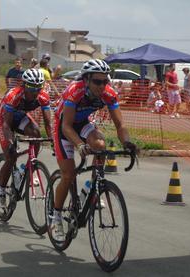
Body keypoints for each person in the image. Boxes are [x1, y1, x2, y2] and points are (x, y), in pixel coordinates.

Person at [51, 59, 137, 241]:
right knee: (68, 175)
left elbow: (120, 124)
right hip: (63, 127)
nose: (102, 86)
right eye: (98, 82)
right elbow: (66, 126)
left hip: (82, 123)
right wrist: (80, 145)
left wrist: (127, 143)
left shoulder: (109, 94)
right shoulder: (75, 91)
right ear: (87, 79)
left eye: (106, 81)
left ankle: (92, 187)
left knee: (100, 145)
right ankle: (56, 215)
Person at [0, 69, 52, 208]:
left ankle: (27, 167)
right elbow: (7, 125)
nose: (35, 91)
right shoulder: (14, 95)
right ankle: (1, 188)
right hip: (4, 120)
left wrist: (53, 141)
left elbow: (48, 123)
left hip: (20, 117)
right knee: (11, 156)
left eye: (39, 87)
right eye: (32, 87)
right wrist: (9, 144)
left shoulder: (43, 96)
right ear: (24, 84)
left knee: (36, 133)